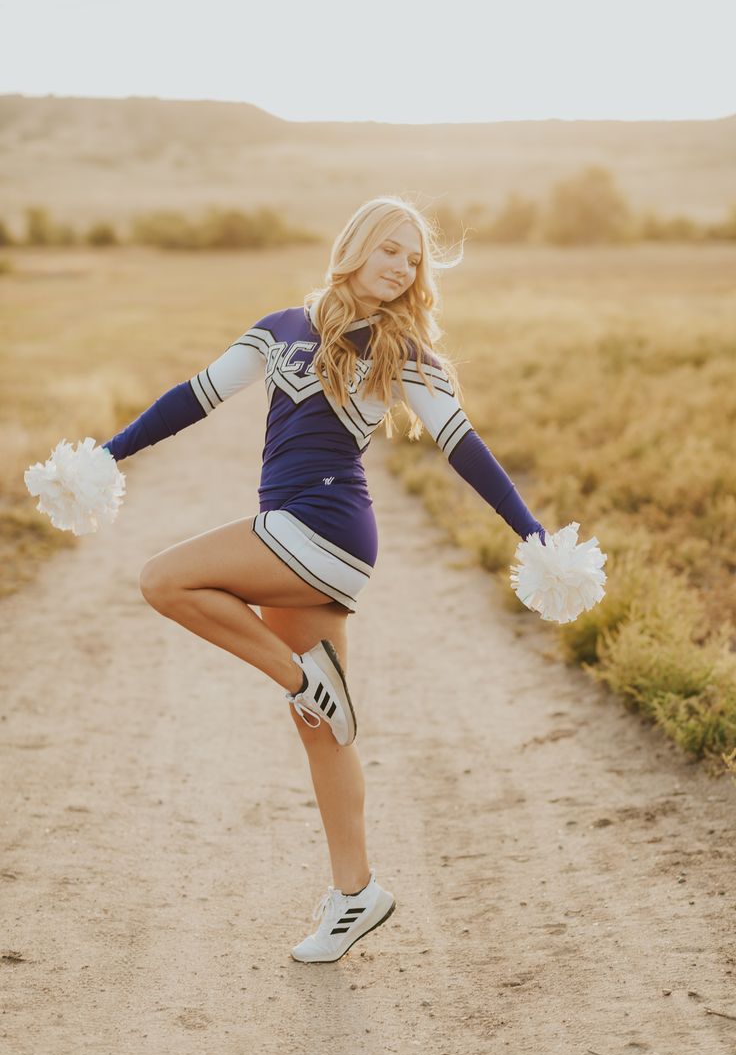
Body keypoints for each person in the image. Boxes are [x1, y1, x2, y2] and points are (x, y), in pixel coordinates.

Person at [100, 194, 547, 963]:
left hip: (324, 527)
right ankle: (356, 894)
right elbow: (194, 399)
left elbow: (464, 446)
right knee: (324, 729)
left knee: (163, 580)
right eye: (392, 250)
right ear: (356, 247)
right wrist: (108, 452)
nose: (404, 267)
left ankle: (300, 677)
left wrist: (534, 533)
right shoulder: (282, 328)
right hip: (311, 546)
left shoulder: (406, 352)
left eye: (414, 259)